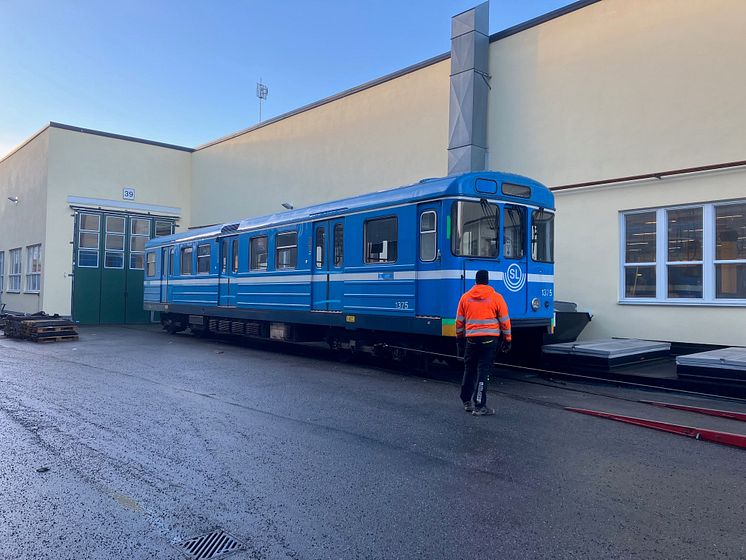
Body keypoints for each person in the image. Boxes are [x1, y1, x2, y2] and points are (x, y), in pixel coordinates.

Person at [455, 269, 512, 416]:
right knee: (483, 372)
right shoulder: (496, 298)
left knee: (469, 370)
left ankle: (466, 401)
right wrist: (507, 339)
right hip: (489, 340)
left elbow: (459, 322)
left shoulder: (465, 298)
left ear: (476, 281)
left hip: (471, 340)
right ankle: (480, 406)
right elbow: (505, 321)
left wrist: (459, 339)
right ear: (487, 281)